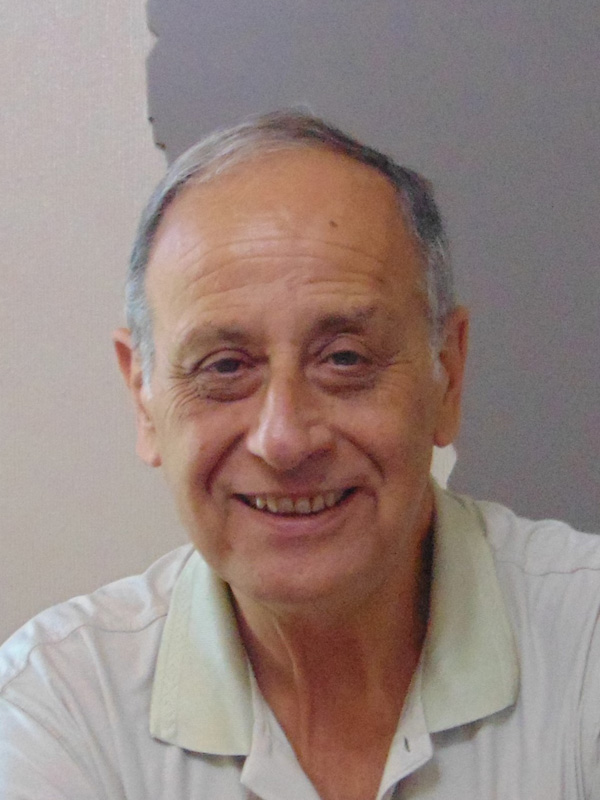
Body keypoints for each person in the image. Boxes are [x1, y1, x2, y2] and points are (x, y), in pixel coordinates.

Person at [1, 111, 599, 800]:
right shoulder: (60, 708)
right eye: (225, 367)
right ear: (143, 396)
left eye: (344, 359)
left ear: (449, 374)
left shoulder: (586, 646)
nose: (283, 439)